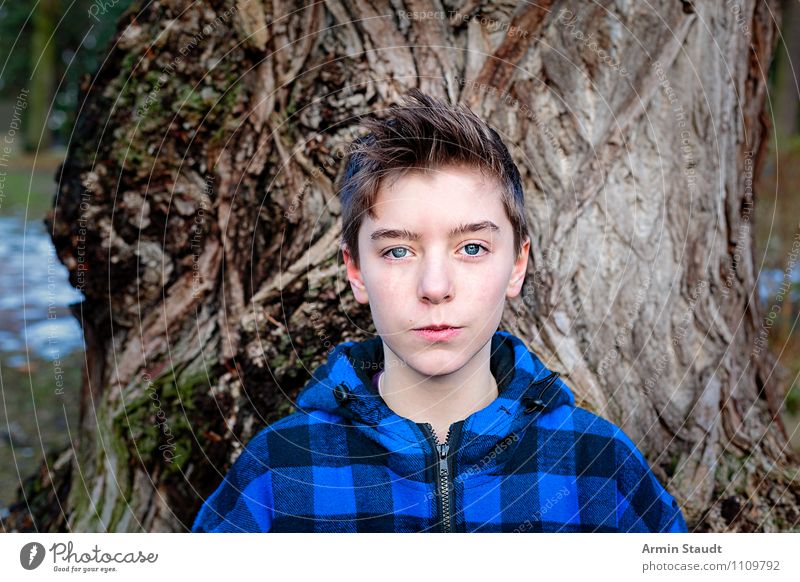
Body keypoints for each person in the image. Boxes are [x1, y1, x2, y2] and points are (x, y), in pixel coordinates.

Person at [191, 88, 688, 533]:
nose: (434, 287)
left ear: (517, 265)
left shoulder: (596, 466)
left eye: (471, 248)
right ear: (356, 271)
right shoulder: (281, 471)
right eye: (398, 251)